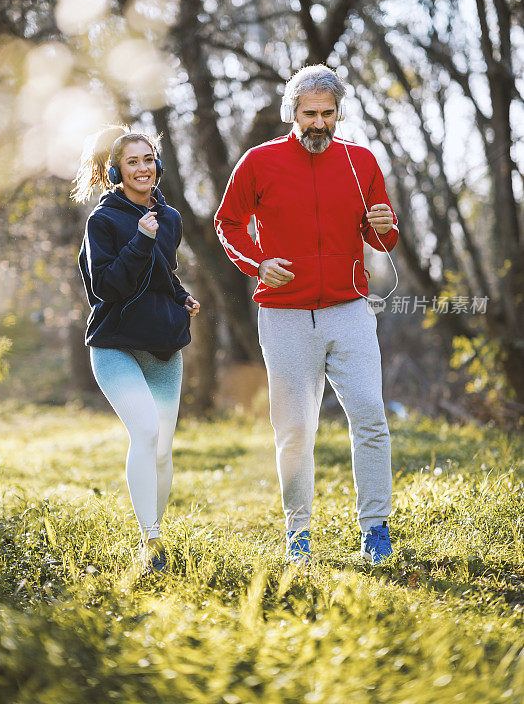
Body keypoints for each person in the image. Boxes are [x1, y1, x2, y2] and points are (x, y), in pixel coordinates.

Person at [214, 65, 399, 565]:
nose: (318, 123)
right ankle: (298, 534)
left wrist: (387, 226)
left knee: (371, 419)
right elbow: (227, 223)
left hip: (350, 310)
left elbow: (381, 237)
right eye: (308, 114)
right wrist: (258, 263)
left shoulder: (361, 162)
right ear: (292, 113)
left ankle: (375, 529)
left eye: (327, 114)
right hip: (286, 314)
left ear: (339, 114)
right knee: (295, 429)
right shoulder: (260, 161)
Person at [72, 125, 200, 576]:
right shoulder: (103, 222)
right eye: (133, 162)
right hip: (115, 347)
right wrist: (140, 240)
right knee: (145, 432)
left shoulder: (172, 218)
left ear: (159, 165)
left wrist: (181, 296)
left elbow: (162, 273)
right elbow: (105, 288)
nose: (144, 168)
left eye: (149, 159)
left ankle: (157, 532)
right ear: (115, 172)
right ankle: (150, 539)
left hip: (163, 346)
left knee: (163, 449)